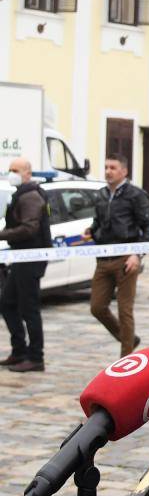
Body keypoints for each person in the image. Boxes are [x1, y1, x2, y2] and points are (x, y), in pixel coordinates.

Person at [87, 153, 149, 355]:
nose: (108, 171)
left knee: (125, 311)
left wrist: (137, 254)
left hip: (126, 260)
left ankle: (125, 358)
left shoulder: (135, 195)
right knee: (97, 307)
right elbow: (98, 223)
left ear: (124, 171)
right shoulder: (101, 195)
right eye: (106, 167)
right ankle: (129, 339)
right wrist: (92, 232)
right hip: (103, 259)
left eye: (113, 168)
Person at [0, 158, 51, 372]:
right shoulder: (23, 192)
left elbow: (29, 229)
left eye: (16, 170)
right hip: (22, 257)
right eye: (10, 169)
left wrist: (2, 234)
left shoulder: (30, 196)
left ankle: (35, 356)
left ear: (28, 173)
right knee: (7, 303)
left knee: (29, 308)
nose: (12, 173)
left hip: (30, 257)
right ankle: (19, 350)